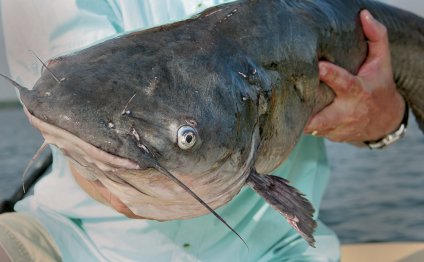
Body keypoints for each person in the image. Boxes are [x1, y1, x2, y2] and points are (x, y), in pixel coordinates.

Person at [0, 1, 405, 261]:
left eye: (187, 137)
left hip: (274, 252)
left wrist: (386, 120)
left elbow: (382, 109)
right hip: (68, 240)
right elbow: (83, 107)